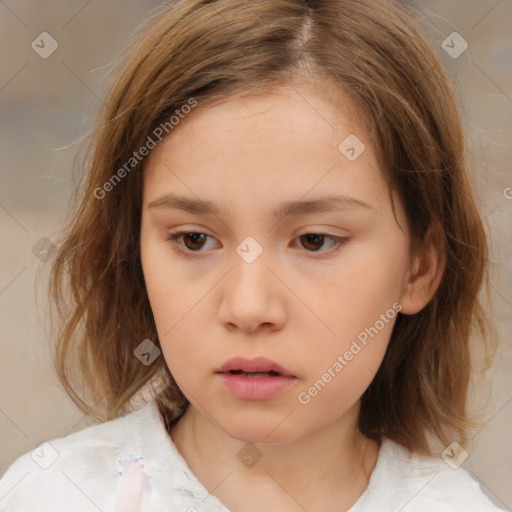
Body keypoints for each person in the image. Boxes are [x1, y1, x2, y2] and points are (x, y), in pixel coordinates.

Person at [0, 0, 506, 511]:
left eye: (314, 241)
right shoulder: (51, 496)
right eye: (194, 239)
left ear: (418, 266)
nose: (247, 307)